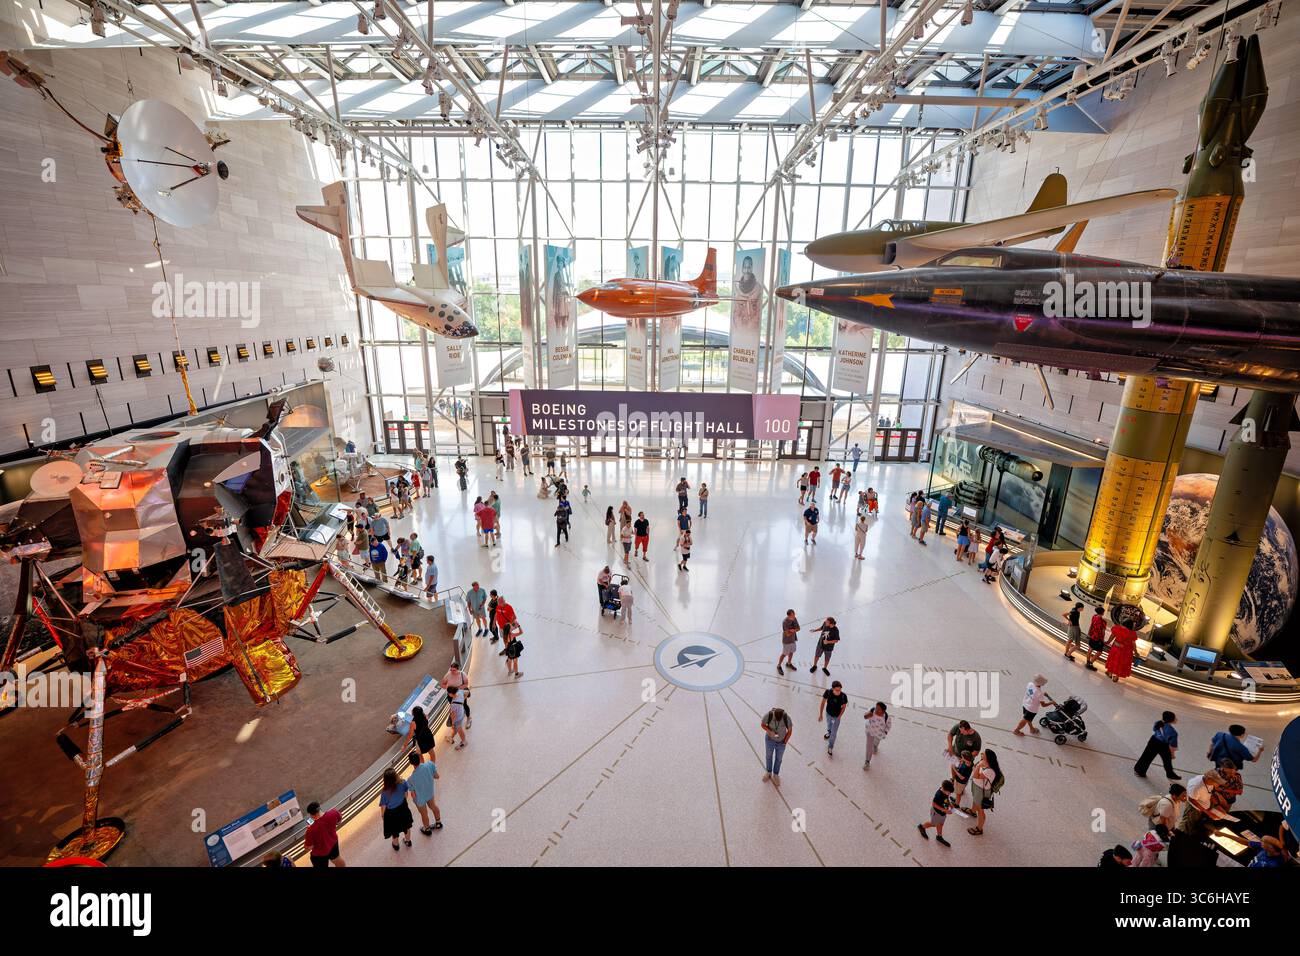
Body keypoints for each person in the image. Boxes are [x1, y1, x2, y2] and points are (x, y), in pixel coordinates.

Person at [1134, 711, 1180, 780]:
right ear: (1171, 720)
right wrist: (1172, 754)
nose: (1176, 719)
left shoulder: (1158, 723)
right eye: (1175, 718)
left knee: (1147, 756)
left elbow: (1154, 729)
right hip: (1163, 745)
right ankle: (1170, 774)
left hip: (1153, 741)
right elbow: (1172, 745)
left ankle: (1139, 770)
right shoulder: (1173, 732)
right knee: (1167, 760)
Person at [406, 751, 442, 834]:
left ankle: (427, 829)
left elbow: (413, 795)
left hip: (420, 799)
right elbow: (437, 776)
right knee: (434, 807)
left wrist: (415, 801)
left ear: (411, 763)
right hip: (430, 793)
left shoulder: (410, 779)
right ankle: (438, 823)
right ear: (419, 758)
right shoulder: (430, 764)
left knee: (424, 814)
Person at [967, 749, 1002, 836]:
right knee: (975, 800)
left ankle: (979, 829)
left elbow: (976, 776)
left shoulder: (990, 771)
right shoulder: (982, 762)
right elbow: (974, 769)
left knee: (980, 810)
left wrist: (979, 765)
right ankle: (972, 811)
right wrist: (978, 765)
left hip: (981, 791)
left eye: (983, 754)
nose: (981, 753)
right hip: (977, 787)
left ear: (987, 758)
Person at [378, 767, 414, 851]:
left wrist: (383, 816)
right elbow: (406, 794)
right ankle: (408, 841)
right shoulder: (403, 783)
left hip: (392, 814)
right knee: (406, 826)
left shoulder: (384, 792)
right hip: (403, 809)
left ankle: (396, 845)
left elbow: (383, 807)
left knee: (394, 831)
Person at [303, 801, 346, 868]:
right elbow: (339, 822)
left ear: (311, 815)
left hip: (320, 854)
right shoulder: (333, 812)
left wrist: (309, 831)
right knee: (337, 859)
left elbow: (308, 848)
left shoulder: (311, 830)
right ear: (320, 808)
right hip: (333, 843)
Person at [760, 706, 793, 787]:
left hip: (781, 742)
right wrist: (769, 730)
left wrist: (784, 742)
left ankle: (776, 774)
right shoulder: (769, 715)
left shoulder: (786, 717)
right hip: (769, 740)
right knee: (769, 756)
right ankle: (768, 772)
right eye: (775, 719)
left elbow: (790, 731)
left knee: (779, 759)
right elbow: (762, 724)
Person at [917, 779, 956, 847]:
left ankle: (939, 837)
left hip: (942, 813)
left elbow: (947, 798)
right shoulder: (938, 795)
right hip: (936, 813)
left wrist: (950, 805)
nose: (949, 794)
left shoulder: (945, 792)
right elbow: (934, 804)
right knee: (933, 824)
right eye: (949, 792)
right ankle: (922, 827)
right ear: (944, 789)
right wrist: (945, 810)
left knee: (940, 824)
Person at [819, 681, 849, 756]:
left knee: (834, 733)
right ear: (832, 689)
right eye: (836, 690)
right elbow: (822, 703)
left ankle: (830, 747)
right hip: (828, 714)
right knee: (829, 726)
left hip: (836, 717)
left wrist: (839, 716)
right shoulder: (828, 692)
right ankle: (829, 732)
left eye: (840, 690)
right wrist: (821, 714)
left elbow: (844, 706)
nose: (838, 692)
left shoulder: (843, 696)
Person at [440, 662, 472, 731]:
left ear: (458, 669)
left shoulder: (462, 674)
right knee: (454, 707)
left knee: (464, 705)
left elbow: (466, 684)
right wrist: (449, 688)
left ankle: (469, 718)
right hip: (451, 695)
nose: (452, 671)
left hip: (460, 694)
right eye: (451, 669)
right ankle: (456, 719)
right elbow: (442, 684)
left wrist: (457, 689)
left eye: (454, 670)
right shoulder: (448, 675)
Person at [863, 700, 892, 771]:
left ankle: (875, 746)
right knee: (869, 746)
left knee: (876, 742)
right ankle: (867, 761)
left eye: (878, 709)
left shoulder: (887, 717)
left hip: (879, 734)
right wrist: (868, 715)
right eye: (876, 708)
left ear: (883, 711)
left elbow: (888, 726)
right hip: (870, 731)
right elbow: (865, 716)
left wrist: (885, 732)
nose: (876, 710)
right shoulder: (872, 711)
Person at [1084, 606, 1108, 671]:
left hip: (1092, 635)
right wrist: (1103, 640)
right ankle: (1090, 663)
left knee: (1090, 649)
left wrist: (1089, 633)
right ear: (1103, 612)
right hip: (1098, 638)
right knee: (1099, 652)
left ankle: (1088, 662)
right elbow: (1103, 632)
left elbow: (1091, 625)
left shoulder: (1094, 616)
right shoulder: (1103, 621)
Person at [777, 608, 799, 675]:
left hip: (793, 639)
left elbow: (798, 628)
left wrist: (793, 630)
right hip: (786, 641)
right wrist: (792, 630)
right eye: (792, 615)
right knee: (784, 654)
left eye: (794, 614)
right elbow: (787, 634)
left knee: (791, 652)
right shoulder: (785, 622)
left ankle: (789, 663)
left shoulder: (794, 619)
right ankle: (779, 666)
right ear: (788, 616)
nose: (794, 616)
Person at [445, 685, 468, 749]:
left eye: (448, 693)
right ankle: (451, 737)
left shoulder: (453, 704)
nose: (448, 694)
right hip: (462, 712)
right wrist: (463, 700)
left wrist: (452, 723)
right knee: (456, 728)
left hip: (457, 719)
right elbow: (467, 692)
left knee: (459, 730)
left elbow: (453, 715)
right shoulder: (459, 692)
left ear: (451, 693)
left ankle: (464, 741)